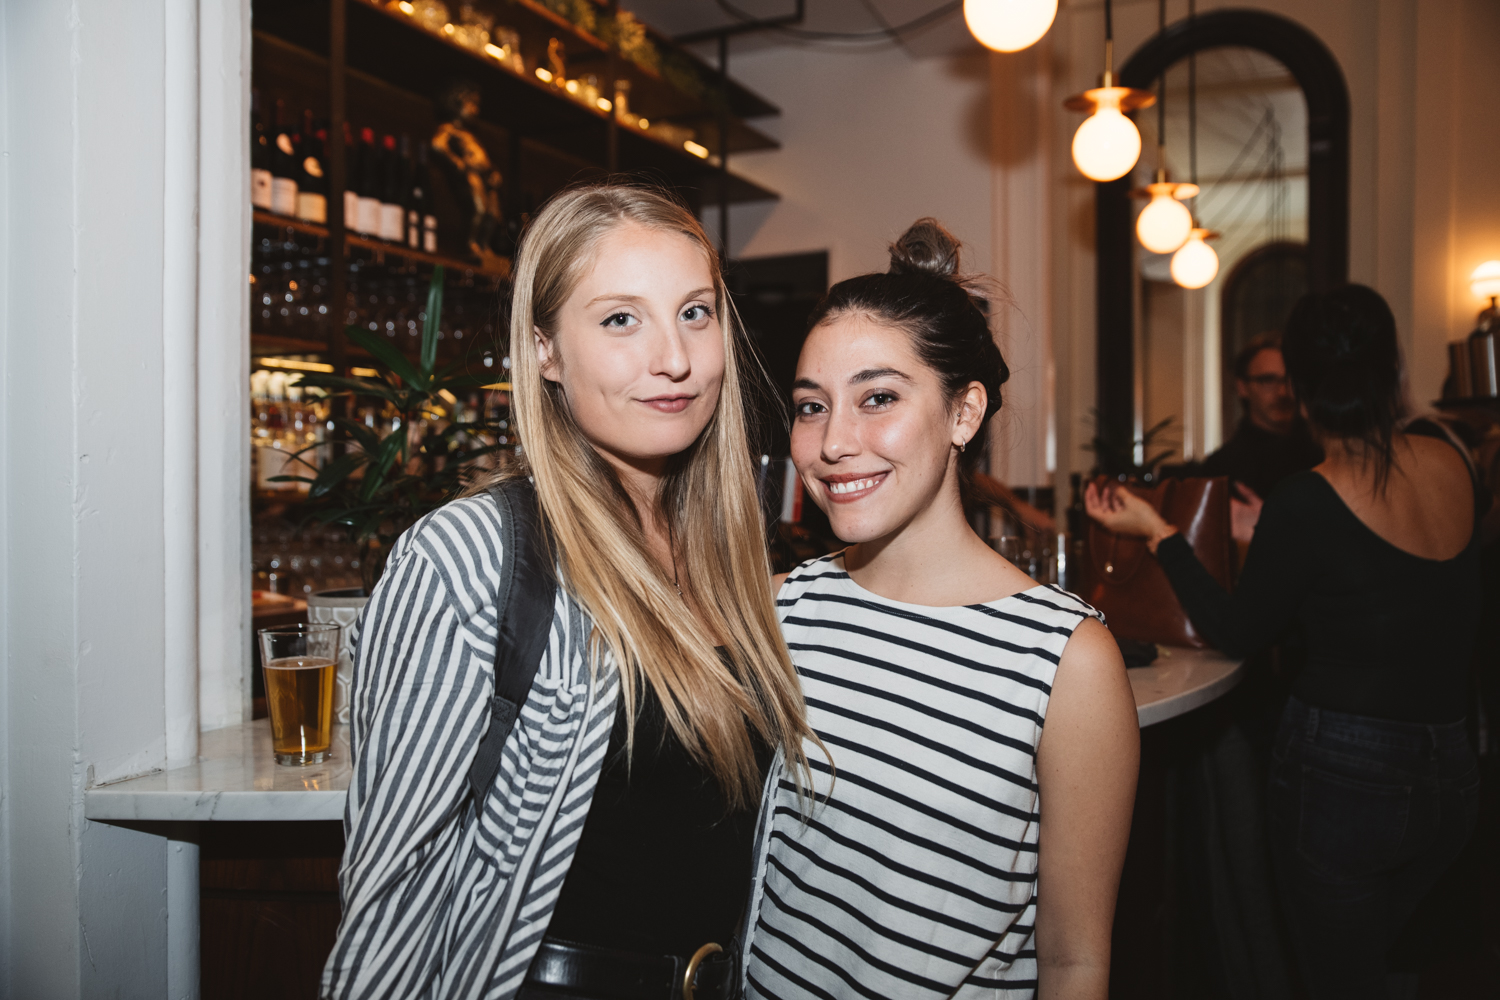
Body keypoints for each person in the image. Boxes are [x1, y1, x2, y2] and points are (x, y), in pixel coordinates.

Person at [322, 184, 818, 1000]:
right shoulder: (469, 558)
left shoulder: (727, 554)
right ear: (546, 350)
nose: (675, 358)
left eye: (695, 313)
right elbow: (390, 907)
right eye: (621, 319)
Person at [746, 220, 1140, 999]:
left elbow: (1074, 962)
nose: (834, 443)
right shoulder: (785, 607)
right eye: (811, 406)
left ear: (964, 414)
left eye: (879, 398)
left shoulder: (1066, 662)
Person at [1086, 284, 1483, 998]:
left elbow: (1239, 631)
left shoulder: (1310, 495)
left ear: (1297, 387)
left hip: (1346, 775)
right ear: (1392, 368)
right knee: (1400, 966)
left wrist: (1161, 534)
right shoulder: (1454, 461)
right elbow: (1397, 585)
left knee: (1338, 978)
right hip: (1452, 767)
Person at [1203, 334, 1323, 542]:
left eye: (1289, 380)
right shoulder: (1221, 468)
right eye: (1268, 380)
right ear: (1242, 387)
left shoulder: (1324, 454)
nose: (1282, 392)